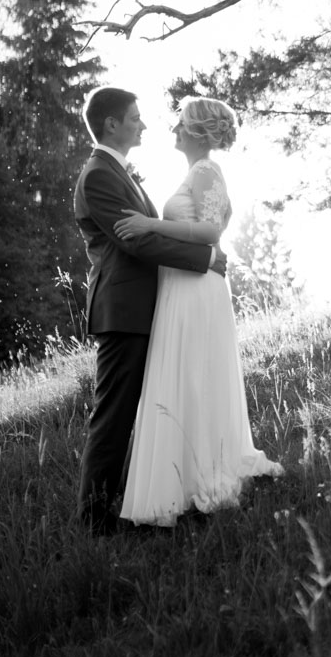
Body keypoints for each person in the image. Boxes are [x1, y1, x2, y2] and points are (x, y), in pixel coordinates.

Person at [114, 94, 283, 527]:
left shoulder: (207, 170)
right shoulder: (193, 173)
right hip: (181, 288)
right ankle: (185, 478)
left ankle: (203, 474)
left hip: (197, 288)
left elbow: (209, 231)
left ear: (195, 131)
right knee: (186, 376)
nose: (171, 130)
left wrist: (150, 224)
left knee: (195, 376)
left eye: (179, 124)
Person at [73, 86, 227, 537]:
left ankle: (138, 502)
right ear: (111, 125)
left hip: (146, 308)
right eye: (135, 117)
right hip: (123, 311)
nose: (143, 124)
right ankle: (95, 522)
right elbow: (135, 239)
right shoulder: (99, 174)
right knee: (114, 416)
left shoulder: (118, 171)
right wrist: (206, 259)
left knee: (143, 413)